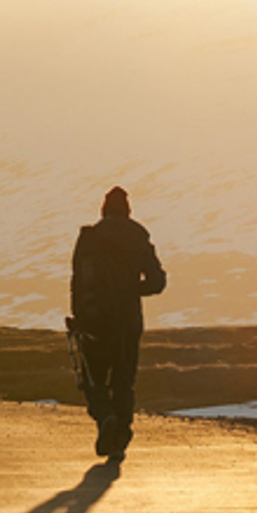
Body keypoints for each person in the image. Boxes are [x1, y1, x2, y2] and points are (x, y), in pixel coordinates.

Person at [69, 186, 166, 460]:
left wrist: (78, 317)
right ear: (128, 210)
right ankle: (121, 435)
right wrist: (133, 291)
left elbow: (77, 282)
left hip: (94, 321)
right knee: (124, 379)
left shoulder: (89, 238)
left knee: (93, 378)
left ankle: (105, 416)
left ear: (103, 209)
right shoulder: (139, 237)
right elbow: (157, 282)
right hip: (128, 322)